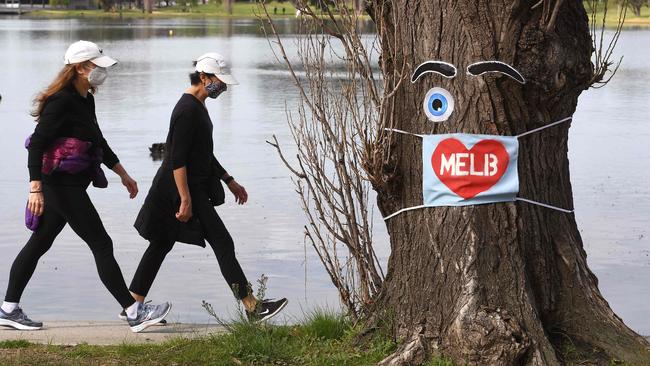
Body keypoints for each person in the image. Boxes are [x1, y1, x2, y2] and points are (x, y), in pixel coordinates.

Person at [0, 41, 171, 333]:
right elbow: (37, 144)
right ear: (80, 68)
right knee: (102, 243)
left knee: (39, 244)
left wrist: (123, 174)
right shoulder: (61, 101)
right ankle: (133, 312)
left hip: (68, 185)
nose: (103, 72)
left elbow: (98, 142)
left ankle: (8, 309)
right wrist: (35, 188)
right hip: (60, 185)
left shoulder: (84, 99)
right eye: (98, 66)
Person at [126, 52, 287, 322]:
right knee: (222, 241)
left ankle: (133, 306)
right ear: (203, 77)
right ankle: (252, 307)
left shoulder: (197, 106)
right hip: (180, 189)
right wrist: (186, 199)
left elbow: (202, 153)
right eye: (219, 81)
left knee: (161, 244)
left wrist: (229, 180)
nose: (222, 87)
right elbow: (177, 159)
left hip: (184, 187)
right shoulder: (186, 110)